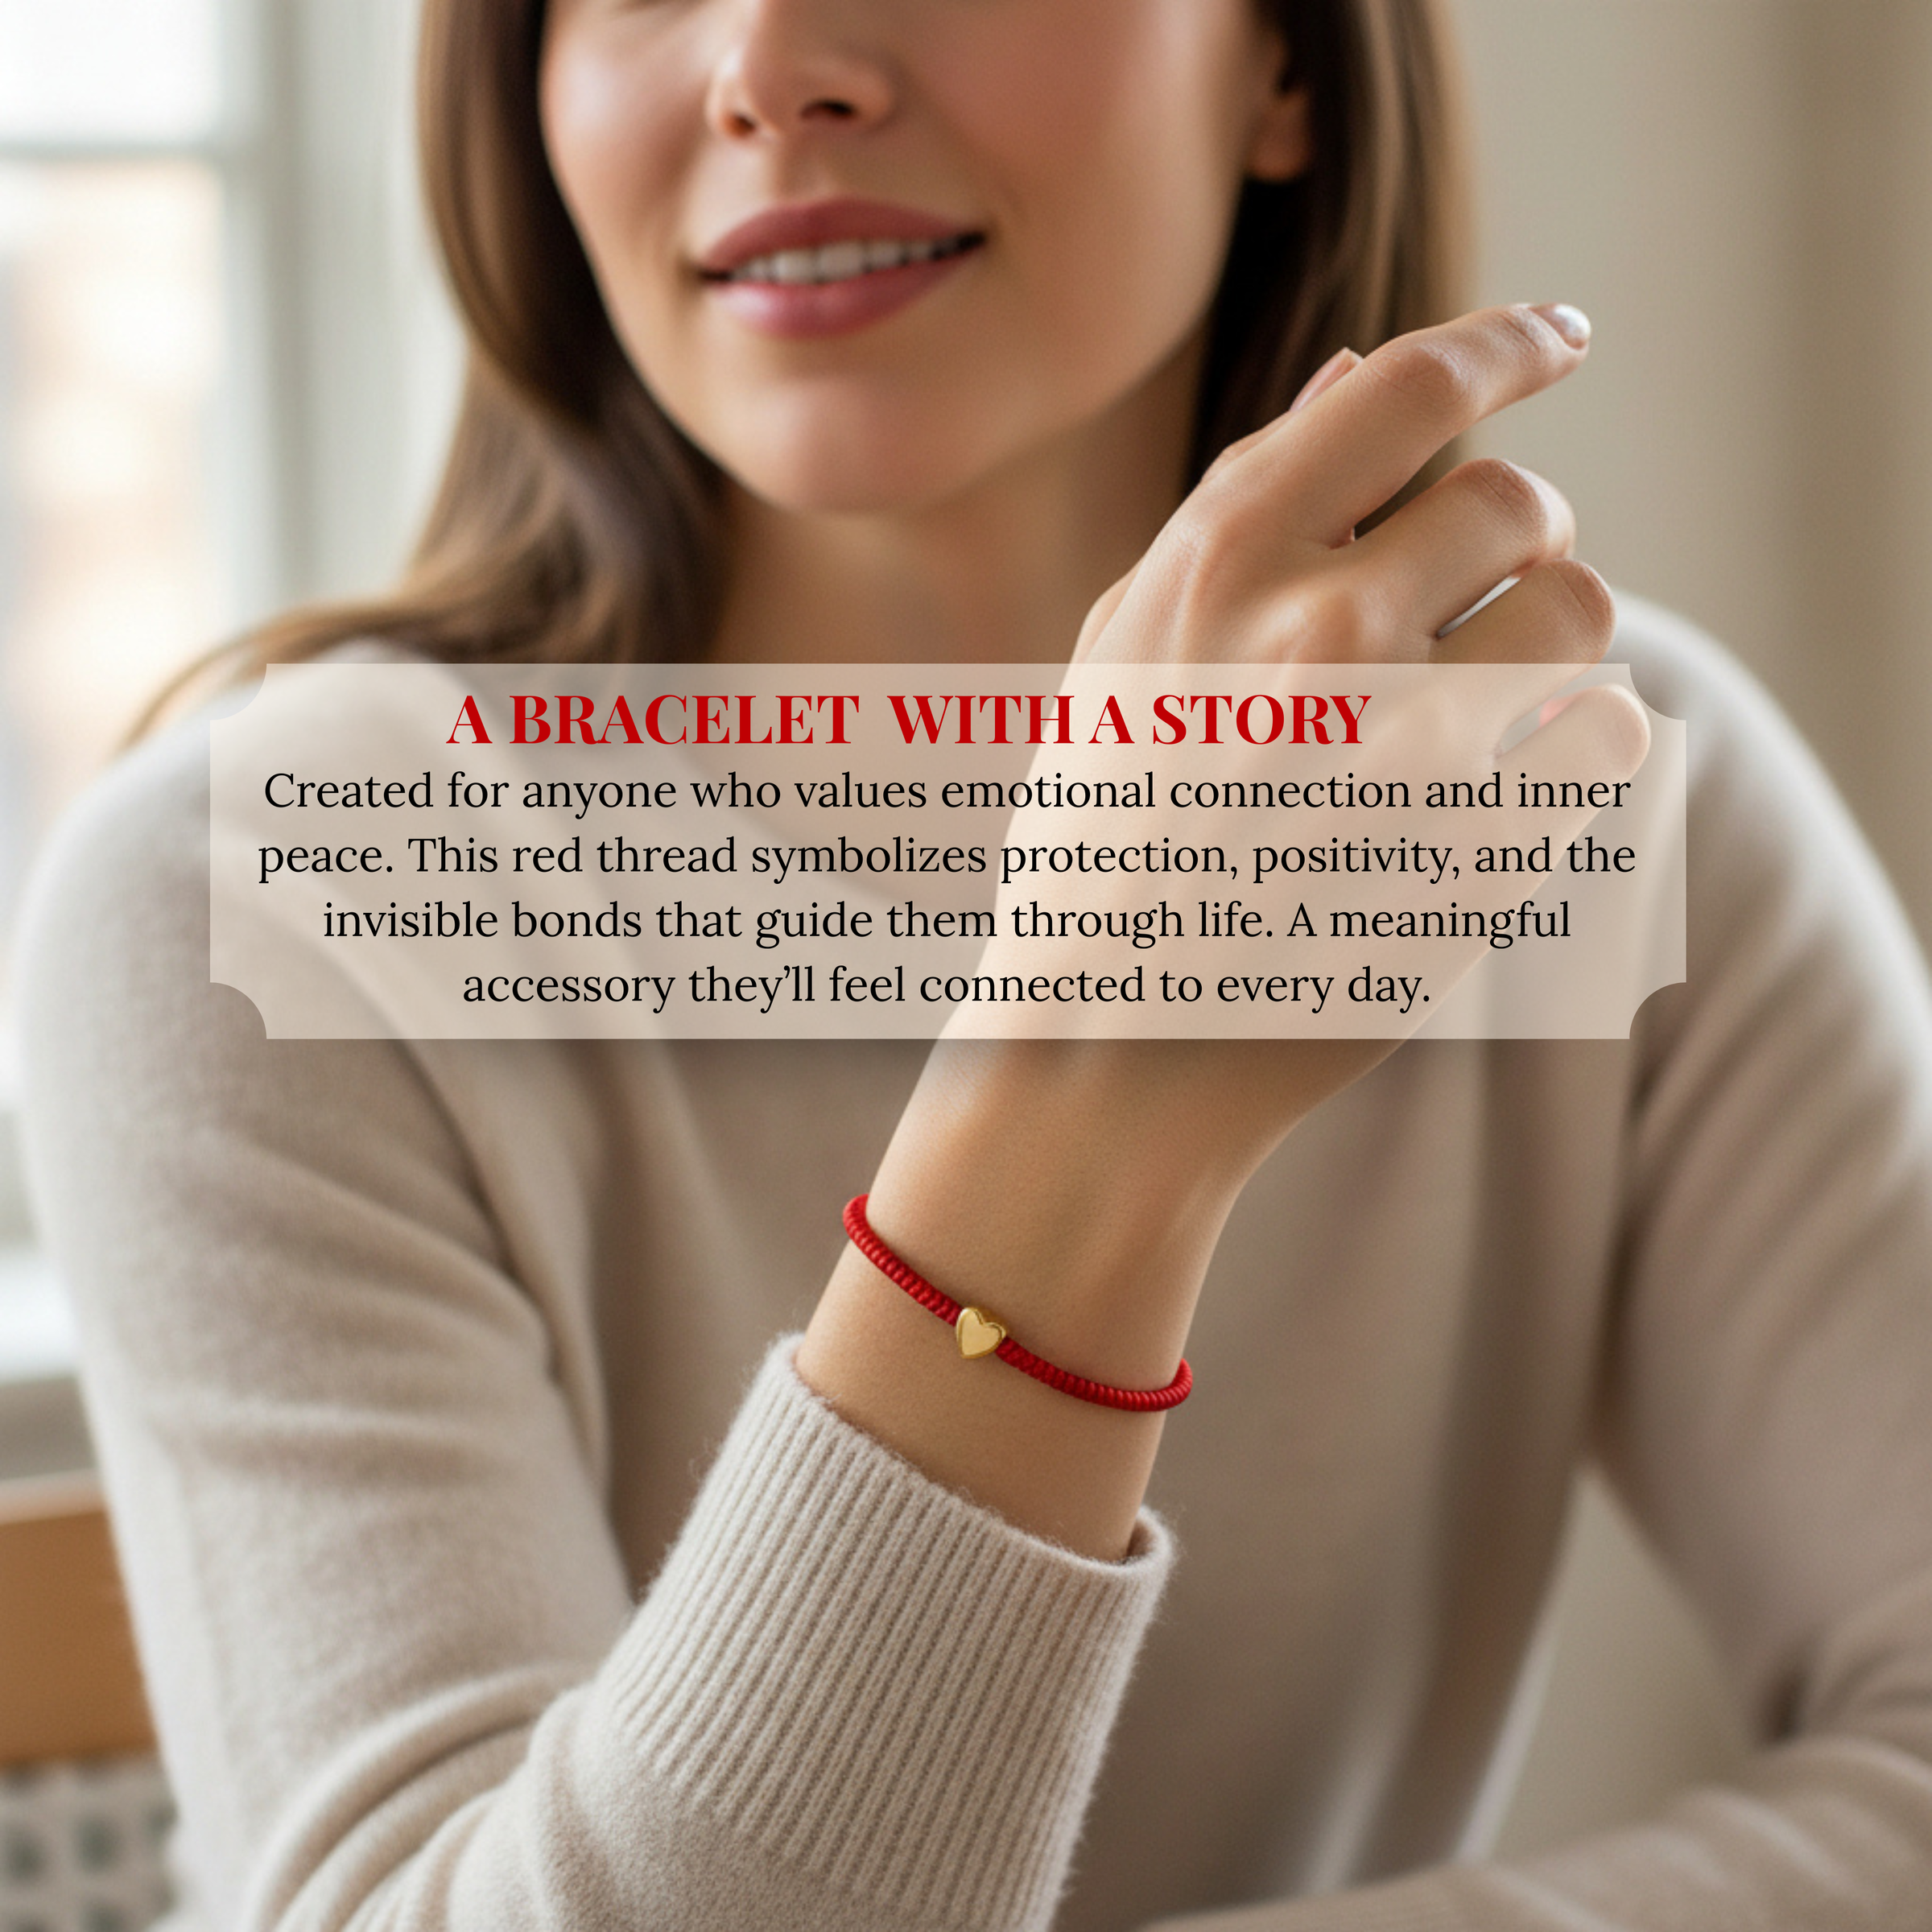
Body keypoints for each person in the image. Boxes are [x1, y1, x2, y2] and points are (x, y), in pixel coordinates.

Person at [15, 0, 1932, 1927]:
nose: (770, 62)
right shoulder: (247, 903)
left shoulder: (1592, 796)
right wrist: (1093, 1094)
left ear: (1283, 66)